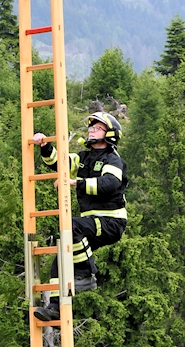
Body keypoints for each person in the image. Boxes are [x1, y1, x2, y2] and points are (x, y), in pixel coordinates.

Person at [32, 112, 128, 322]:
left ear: (109, 133)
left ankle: (86, 274)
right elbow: (60, 163)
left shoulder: (113, 160)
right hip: (91, 222)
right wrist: (44, 146)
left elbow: (108, 184)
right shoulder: (84, 158)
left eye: (97, 128)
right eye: (91, 128)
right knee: (61, 258)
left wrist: (77, 183)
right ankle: (56, 307)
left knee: (72, 226)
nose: (91, 130)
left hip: (111, 221)